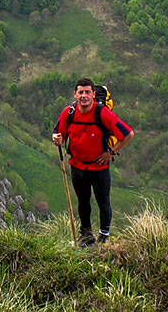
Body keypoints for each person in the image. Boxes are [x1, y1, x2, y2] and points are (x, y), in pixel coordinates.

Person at [52, 78, 134, 246]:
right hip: (77, 166)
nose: (84, 96)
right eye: (80, 92)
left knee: (103, 202)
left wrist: (111, 152)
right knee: (83, 202)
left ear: (93, 94)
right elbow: (59, 133)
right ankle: (86, 234)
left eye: (87, 92)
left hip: (99, 168)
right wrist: (56, 138)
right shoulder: (69, 112)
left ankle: (103, 237)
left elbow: (128, 134)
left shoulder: (102, 113)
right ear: (75, 94)